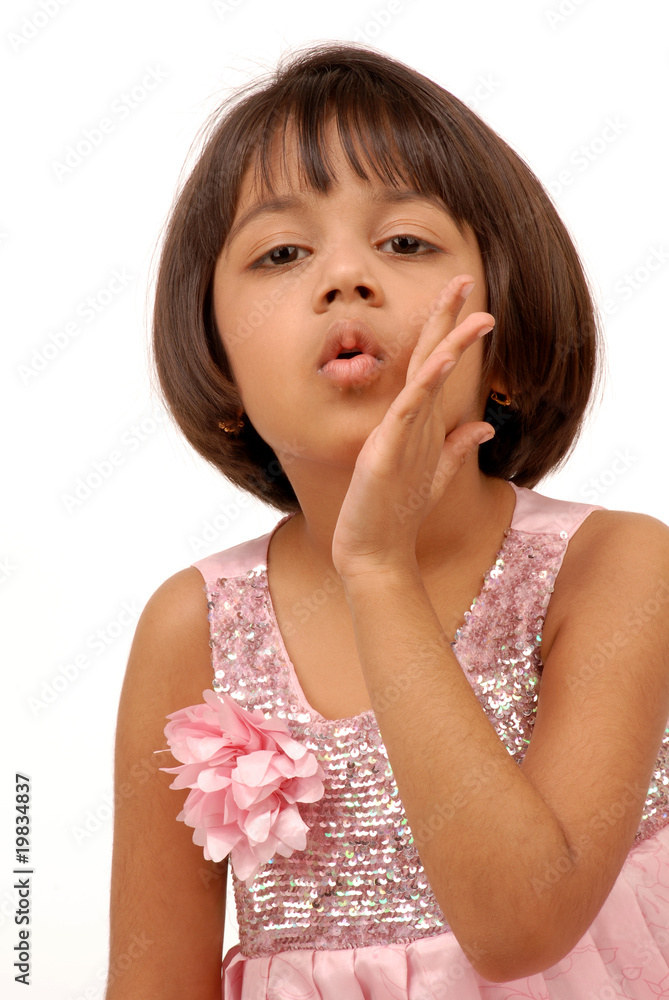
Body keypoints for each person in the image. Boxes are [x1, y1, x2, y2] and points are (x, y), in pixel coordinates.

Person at [106, 41, 669, 999]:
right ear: (219, 366)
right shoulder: (192, 627)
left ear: (505, 342)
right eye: (281, 254)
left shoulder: (615, 566)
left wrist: (377, 566)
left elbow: (519, 928)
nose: (344, 278)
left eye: (404, 243)